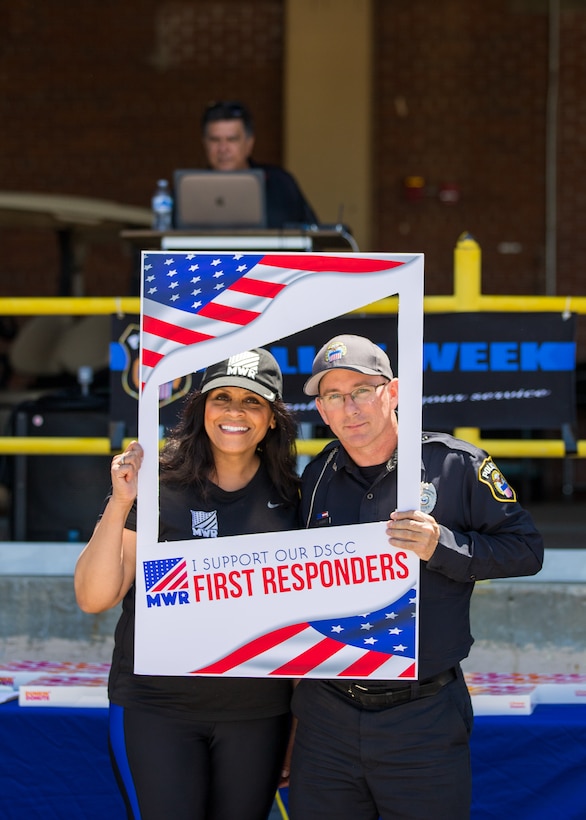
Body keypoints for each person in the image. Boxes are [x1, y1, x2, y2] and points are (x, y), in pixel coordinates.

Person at [288, 334, 544, 820]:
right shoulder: (316, 475)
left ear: (395, 391)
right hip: (327, 713)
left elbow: (526, 550)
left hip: (421, 712)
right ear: (320, 410)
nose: (350, 408)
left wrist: (441, 546)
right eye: (333, 397)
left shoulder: (455, 466)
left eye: (362, 390)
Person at [74, 348, 300, 820]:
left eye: (252, 402)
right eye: (222, 398)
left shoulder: (294, 496)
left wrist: (298, 723)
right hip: (157, 707)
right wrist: (120, 503)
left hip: (258, 714)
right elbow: (94, 597)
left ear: (273, 419)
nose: (235, 412)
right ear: (201, 407)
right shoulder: (157, 486)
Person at [201, 100, 318, 229]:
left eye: (232, 139)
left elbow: (314, 234)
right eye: (215, 140)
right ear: (205, 144)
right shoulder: (188, 191)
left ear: (249, 143)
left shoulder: (281, 184)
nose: (223, 149)